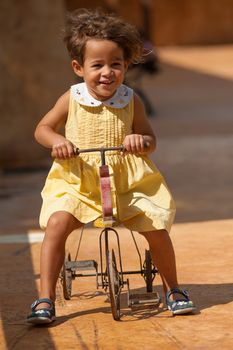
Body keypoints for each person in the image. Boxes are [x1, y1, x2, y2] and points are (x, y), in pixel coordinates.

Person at [27, 8, 195, 324]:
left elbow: (150, 138)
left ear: (126, 65)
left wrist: (140, 141)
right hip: (78, 182)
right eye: (97, 65)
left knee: (157, 229)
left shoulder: (131, 100)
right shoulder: (72, 98)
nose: (107, 72)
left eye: (115, 64)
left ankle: (174, 289)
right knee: (57, 225)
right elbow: (42, 129)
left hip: (128, 183)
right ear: (79, 68)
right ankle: (44, 298)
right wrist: (57, 142)